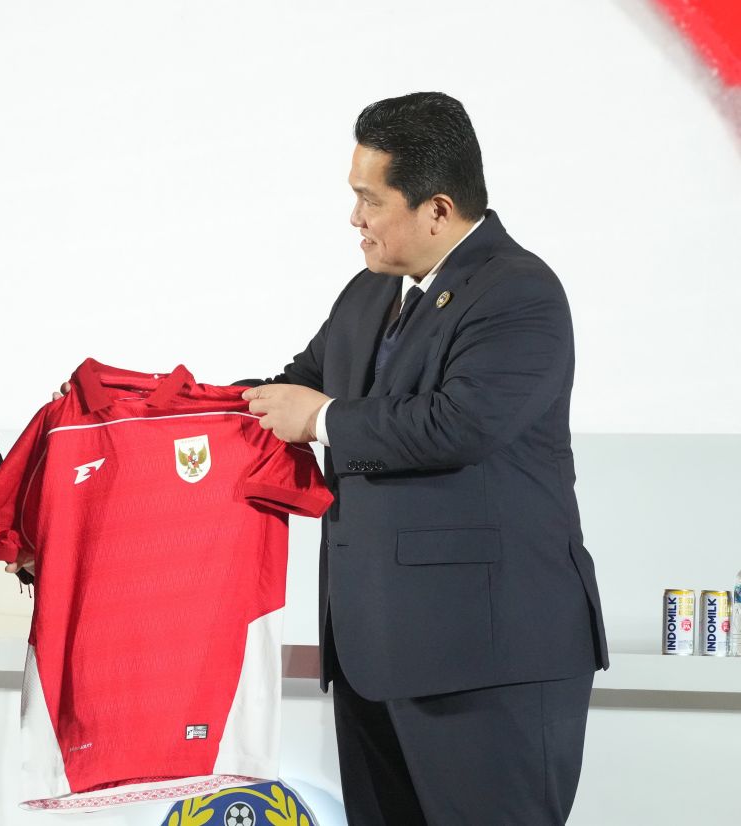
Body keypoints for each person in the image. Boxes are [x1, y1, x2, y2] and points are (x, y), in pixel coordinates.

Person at [241, 92, 607, 825]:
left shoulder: (519, 292)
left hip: (488, 662)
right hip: (377, 655)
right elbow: (292, 388)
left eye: (368, 200)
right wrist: (156, 407)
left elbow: (457, 424)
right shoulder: (368, 295)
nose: (356, 219)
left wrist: (322, 420)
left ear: (436, 209)